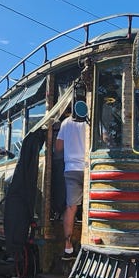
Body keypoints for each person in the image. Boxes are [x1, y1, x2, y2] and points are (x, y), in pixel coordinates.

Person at [56, 101, 88, 259]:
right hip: (89, 168)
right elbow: (105, 138)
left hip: (71, 169)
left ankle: (68, 248)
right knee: (91, 206)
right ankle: (88, 243)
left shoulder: (65, 123)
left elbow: (58, 147)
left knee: (71, 207)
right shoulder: (90, 120)